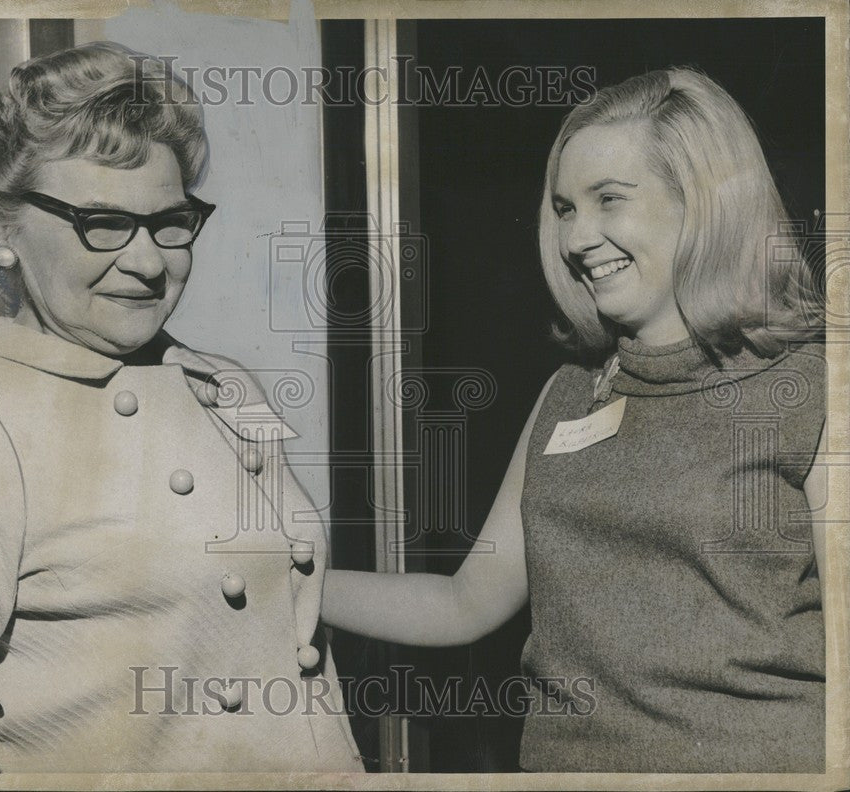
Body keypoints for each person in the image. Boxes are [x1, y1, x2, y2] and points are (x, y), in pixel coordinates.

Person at [0, 41, 361, 773]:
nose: (149, 261)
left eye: (170, 221)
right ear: (2, 225)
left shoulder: (225, 388)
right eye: (102, 222)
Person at [322, 67, 827, 773]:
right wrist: (291, 580)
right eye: (564, 208)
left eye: (608, 200)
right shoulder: (566, 396)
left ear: (706, 204)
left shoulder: (811, 390)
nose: (577, 239)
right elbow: (465, 604)